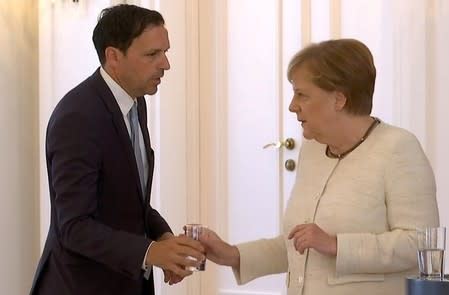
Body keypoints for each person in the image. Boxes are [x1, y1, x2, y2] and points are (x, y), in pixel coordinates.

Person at [200, 39, 440, 295]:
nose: (292, 106)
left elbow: (419, 245)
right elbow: (301, 245)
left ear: (338, 99)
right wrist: (233, 255)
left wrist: (337, 245)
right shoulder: (313, 151)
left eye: (301, 94)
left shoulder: (398, 148)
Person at [30, 4, 204, 295]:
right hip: (80, 286)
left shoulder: (137, 102)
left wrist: (164, 239)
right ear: (113, 57)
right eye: (152, 55)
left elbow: (132, 202)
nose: (166, 64)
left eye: (166, 52)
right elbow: (74, 226)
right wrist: (150, 252)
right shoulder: (78, 116)